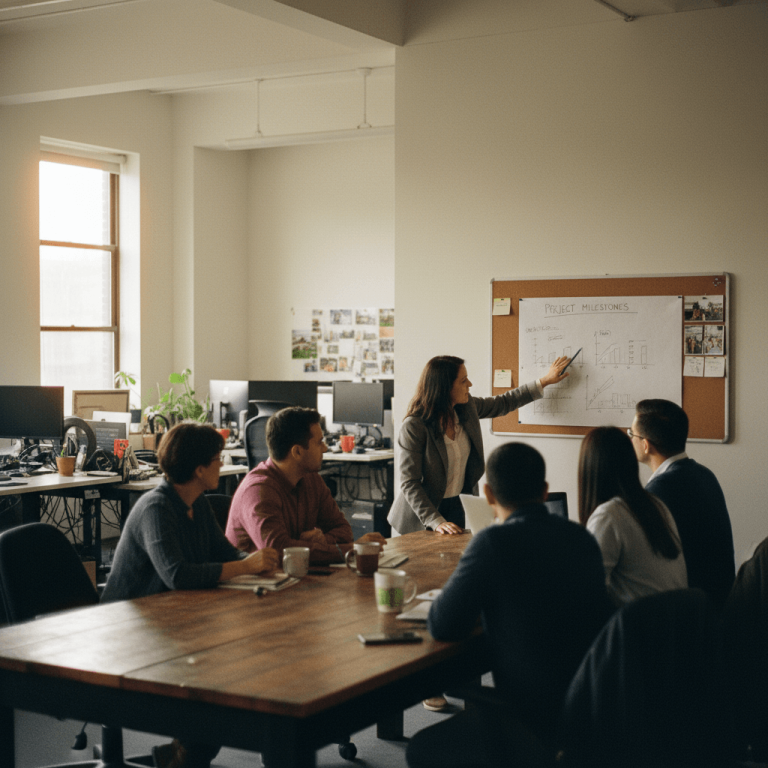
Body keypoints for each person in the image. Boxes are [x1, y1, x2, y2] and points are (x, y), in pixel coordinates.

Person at [406, 443, 613, 768]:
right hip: (591, 708)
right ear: (545, 491)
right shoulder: (582, 538)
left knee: (421, 748)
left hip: (528, 715)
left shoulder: (492, 543)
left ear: (488, 495)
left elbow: (444, 625)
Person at [101, 421, 279, 768]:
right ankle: (185, 756)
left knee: (231, 669)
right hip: (130, 631)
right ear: (200, 469)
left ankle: (183, 755)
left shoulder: (195, 504)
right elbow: (177, 574)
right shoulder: (157, 507)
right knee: (219, 680)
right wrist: (246, 567)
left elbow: (226, 553)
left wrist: (259, 564)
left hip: (171, 620)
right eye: (218, 458)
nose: (222, 463)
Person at [388, 354, 569, 537]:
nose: (470, 385)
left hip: (456, 506)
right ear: (444, 387)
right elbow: (409, 483)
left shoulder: (467, 408)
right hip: (419, 516)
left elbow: (504, 402)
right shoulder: (414, 426)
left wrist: (545, 381)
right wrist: (436, 521)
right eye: (464, 381)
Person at [226, 407, 385, 563]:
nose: (325, 448)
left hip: (294, 578)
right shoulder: (258, 490)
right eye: (319, 442)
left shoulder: (311, 479)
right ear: (297, 452)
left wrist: (322, 539)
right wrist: (353, 550)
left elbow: (344, 532)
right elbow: (279, 551)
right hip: (253, 585)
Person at [631, 398, 735, 607]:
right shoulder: (704, 474)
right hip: (719, 606)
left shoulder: (658, 492)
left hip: (688, 615)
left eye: (631, 434)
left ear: (645, 444)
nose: (630, 439)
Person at [578, 426, 687, 607]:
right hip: (672, 627)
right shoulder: (656, 505)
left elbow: (585, 594)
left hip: (639, 630)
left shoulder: (609, 515)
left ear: (588, 470)